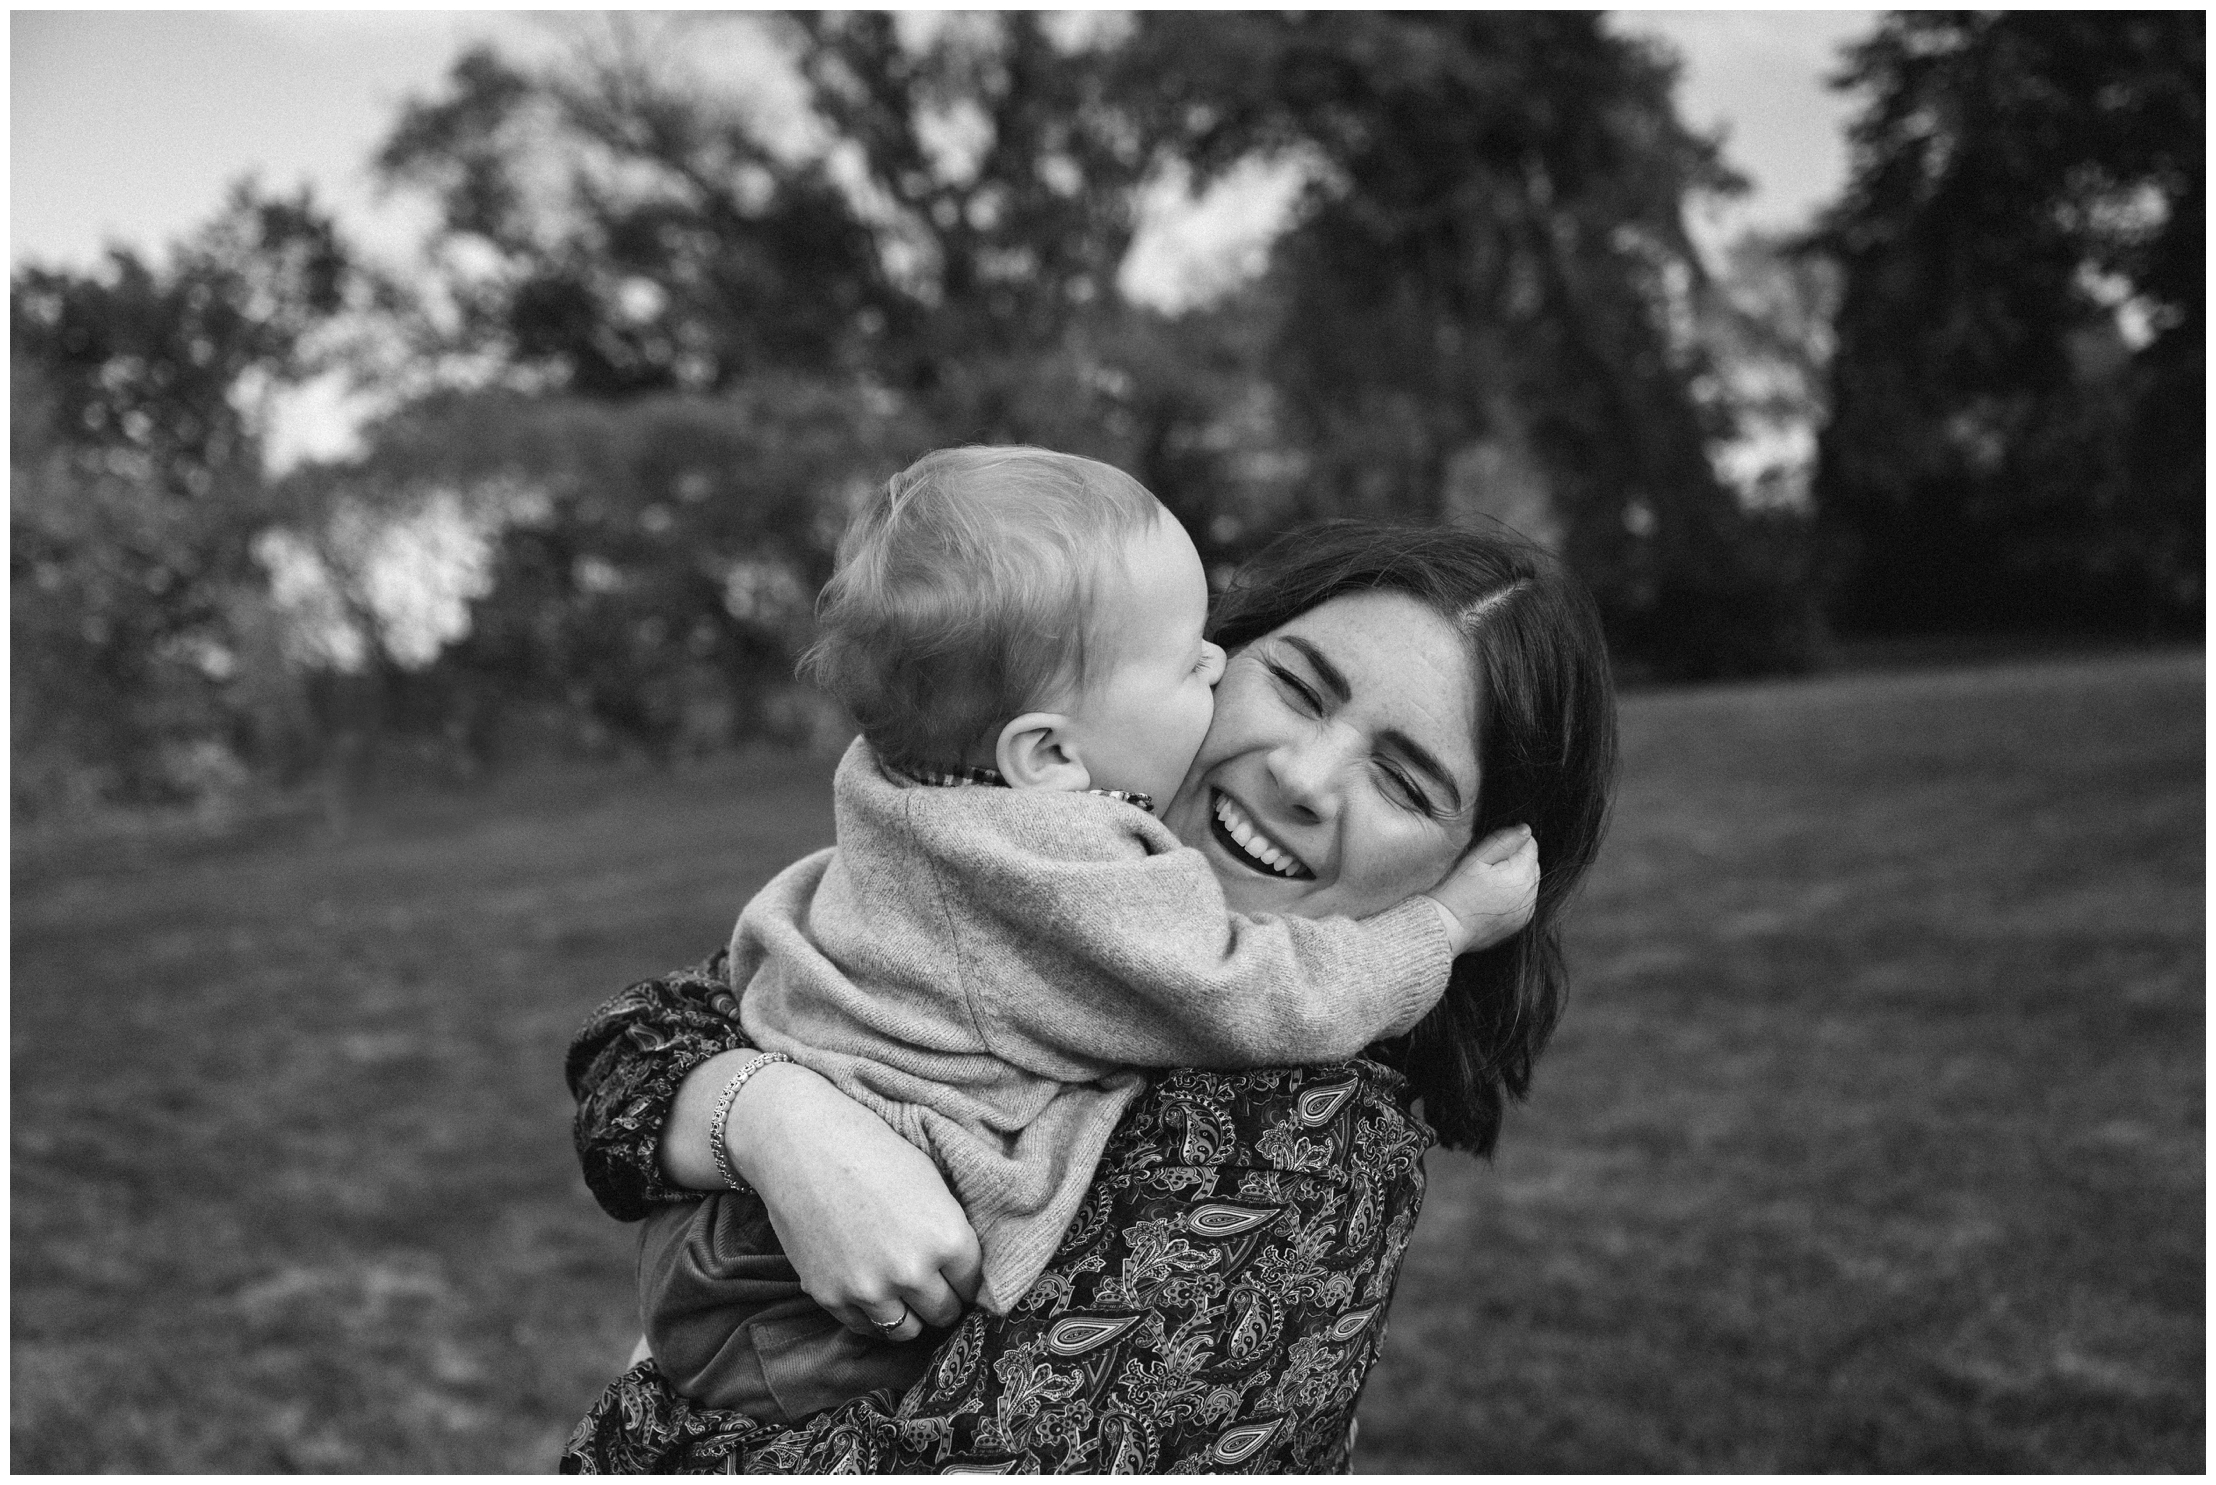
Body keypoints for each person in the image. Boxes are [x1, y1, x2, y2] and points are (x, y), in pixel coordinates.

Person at [563, 516, 1619, 1473]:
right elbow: (627, 1053)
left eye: (1401, 780)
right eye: (1298, 686)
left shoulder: (1315, 1148)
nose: (1302, 777)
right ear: (1204, 664)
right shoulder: (1018, 857)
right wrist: (775, 1124)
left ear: (1479, 870)